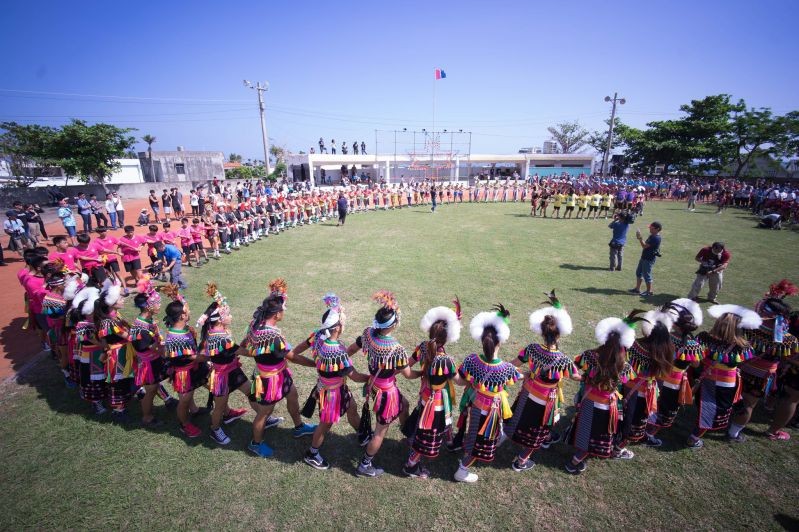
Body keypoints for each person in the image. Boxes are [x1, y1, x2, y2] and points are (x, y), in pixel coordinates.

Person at [238, 279, 316, 458]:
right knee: (265, 411)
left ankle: (299, 427)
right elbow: (293, 357)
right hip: (269, 379)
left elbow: (246, 341)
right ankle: (255, 444)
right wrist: (315, 364)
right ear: (276, 314)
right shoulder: (274, 337)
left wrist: (241, 350)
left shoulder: (254, 324)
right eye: (282, 310)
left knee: (293, 395)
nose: (284, 312)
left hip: (278, 373)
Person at [504, 291, 579, 472]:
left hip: (528, 393)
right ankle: (521, 461)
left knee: (522, 419)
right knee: (539, 428)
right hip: (546, 401)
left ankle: (537, 439)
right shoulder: (563, 360)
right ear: (559, 334)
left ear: (543, 332)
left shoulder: (531, 349)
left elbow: (512, 365)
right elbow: (577, 376)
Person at [295, 294, 371, 470]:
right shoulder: (337, 352)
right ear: (337, 327)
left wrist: (315, 364)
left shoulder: (318, 336)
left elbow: (296, 351)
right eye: (342, 322)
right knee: (325, 424)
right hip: (332, 394)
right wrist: (372, 378)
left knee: (351, 407)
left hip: (329, 387)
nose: (344, 324)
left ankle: (362, 434)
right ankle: (312, 454)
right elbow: (355, 376)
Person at [453, 304, 521, 482]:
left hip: (475, 406)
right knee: (480, 441)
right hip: (491, 412)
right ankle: (462, 470)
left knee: (475, 434)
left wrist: (460, 376)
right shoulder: (506, 369)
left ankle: (470, 450)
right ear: (501, 340)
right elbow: (516, 376)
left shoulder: (471, 361)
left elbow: (459, 381)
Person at [352, 290, 416, 478]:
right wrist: (424, 373)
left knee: (404, 405)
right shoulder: (396, 349)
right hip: (387, 392)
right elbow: (408, 374)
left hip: (374, 386)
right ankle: (365, 464)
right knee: (380, 431)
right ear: (394, 324)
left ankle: (408, 436)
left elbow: (351, 349)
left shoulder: (368, 334)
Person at [564, 313, 637, 474]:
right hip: (606, 406)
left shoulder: (590, 356)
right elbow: (626, 383)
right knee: (597, 435)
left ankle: (578, 450)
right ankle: (573, 462)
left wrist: (585, 377)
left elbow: (574, 368)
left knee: (585, 428)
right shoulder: (625, 367)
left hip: (587, 400)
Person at [401, 298, 463, 478]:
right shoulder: (447, 361)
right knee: (427, 433)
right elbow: (458, 381)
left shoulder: (422, 348)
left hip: (424, 395)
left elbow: (406, 364)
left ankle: (449, 441)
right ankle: (411, 465)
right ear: (447, 337)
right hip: (436, 403)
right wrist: (471, 380)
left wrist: (418, 374)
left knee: (423, 420)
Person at [686, 304, 760, 448]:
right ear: (739, 327)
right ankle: (693, 438)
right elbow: (743, 361)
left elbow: (696, 356)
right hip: (726, 384)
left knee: (705, 406)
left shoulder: (703, 337)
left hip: (705, 379)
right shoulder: (743, 347)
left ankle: (696, 433)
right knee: (712, 412)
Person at [735, 280, 799, 442]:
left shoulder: (749, 327)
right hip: (762, 376)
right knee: (748, 404)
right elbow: (791, 358)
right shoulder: (788, 340)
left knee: (735, 397)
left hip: (740, 368)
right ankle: (734, 432)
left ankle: (723, 420)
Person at [197, 282, 250, 445]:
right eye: (228, 314)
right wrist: (260, 349)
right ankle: (215, 429)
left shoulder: (215, 333)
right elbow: (242, 352)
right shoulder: (220, 338)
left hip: (232, 369)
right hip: (221, 375)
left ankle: (264, 416)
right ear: (220, 319)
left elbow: (233, 350)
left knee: (251, 391)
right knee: (219, 406)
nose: (231, 316)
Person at [644, 298, 703, 442]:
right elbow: (696, 365)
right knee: (666, 406)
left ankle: (644, 427)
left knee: (654, 401)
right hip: (674, 381)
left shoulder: (666, 336)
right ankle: (650, 434)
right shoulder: (692, 345)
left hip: (658, 374)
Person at [618, 308, 674, 451]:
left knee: (625, 417)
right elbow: (662, 374)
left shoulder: (636, 345)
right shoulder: (666, 351)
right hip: (646, 391)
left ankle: (618, 445)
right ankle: (619, 448)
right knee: (634, 420)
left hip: (627, 386)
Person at [161, 286, 210, 438]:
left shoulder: (181, 327)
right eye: (187, 311)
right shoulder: (176, 338)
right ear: (182, 316)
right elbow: (195, 357)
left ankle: (194, 411)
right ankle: (184, 424)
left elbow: (182, 304)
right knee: (184, 400)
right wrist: (212, 354)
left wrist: (176, 296)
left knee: (191, 393)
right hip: (183, 373)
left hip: (191, 368)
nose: (189, 312)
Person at [94, 279, 135, 422]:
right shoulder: (109, 322)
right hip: (117, 355)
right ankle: (118, 410)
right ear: (111, 303)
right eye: (119, 298)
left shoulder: (115, 316)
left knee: (125, 379)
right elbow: (129, 336)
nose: (122, 299)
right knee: (118, 382)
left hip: (122, 351)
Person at [630, 221, 662, 297]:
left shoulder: (656, 238)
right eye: (650, 228)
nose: (650, 229)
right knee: (639, 272)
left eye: (652, 228)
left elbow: (644, 246)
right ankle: (637, 289)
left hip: (649, 259)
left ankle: (649, 291)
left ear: (657, 229)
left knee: (647, 275)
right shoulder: (652, 236)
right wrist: (640, 238)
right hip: (644, 257)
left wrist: (640, 238)